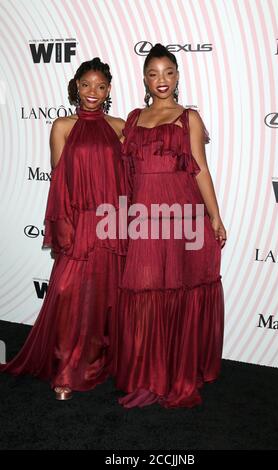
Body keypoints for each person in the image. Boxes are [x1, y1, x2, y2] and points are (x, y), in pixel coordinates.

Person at [0, 58, 126, 400]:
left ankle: (99, 362)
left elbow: (129, 176)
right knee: (69, 295)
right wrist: (65, 226)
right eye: (86, 84)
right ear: (76, 86)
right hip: (80, 222)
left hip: (112, 222)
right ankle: (67, 370)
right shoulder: (62, 126)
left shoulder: (119, 126)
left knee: (105, 297)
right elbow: (59, 181)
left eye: (100, 86)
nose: (92, 92)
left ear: (109, 90)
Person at [114, 44, 226, 408]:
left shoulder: (188, 118)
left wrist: (215, 215)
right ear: (144, 80)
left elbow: (201, 169)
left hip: (182, 216)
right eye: (153, 73)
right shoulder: (132, 119)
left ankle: (177, 373)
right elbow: (122, 171)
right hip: (144, 218)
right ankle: (150, 375)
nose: (161, 80)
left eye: (168, 72)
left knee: (178, 291)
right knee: (147, 295)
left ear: (178, 76)